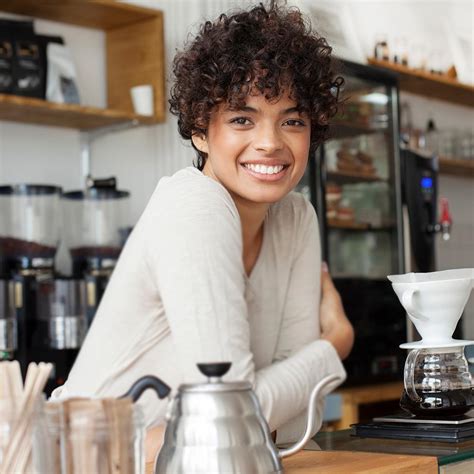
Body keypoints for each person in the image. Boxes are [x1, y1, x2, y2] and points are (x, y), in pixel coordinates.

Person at [52, 0, 354, 454]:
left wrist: (224, 425)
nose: (271, 143)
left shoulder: (296, 217)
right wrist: (334, 344)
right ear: (199, 129)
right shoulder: (193, 206)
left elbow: (291, 427)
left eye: (292, 120)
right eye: (241, 119)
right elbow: (231, 419)